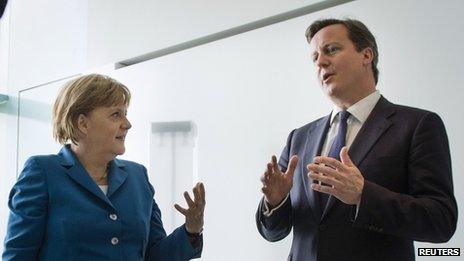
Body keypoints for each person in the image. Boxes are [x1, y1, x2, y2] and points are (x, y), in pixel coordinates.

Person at [256, 18, 457, 261]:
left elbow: (440, 221)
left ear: (366, 55)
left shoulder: (417, 125)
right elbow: (274, 232)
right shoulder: (299, 138)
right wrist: (275, 202)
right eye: (315, 58)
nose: (321, 61)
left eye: (331, 49)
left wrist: (364, 195)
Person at [3, 74, 205, 260]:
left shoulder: (138, 176)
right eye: (116, 114)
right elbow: (18, 256)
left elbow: (154, 254)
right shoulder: (42, 172)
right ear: (83, 123)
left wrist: (191, 230)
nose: (127, 124)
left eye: (125, 114)